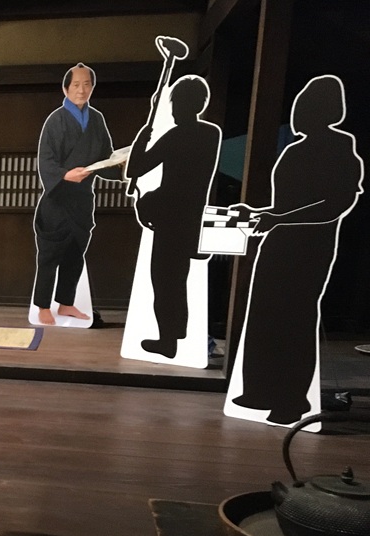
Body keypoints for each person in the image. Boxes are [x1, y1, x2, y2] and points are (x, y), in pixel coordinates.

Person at [229, 75, 363, 425]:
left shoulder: (340, 149)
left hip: (309, 247)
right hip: (278, 243)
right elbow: (283, 206)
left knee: (294, 319)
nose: (299, 110)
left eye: (308, 103)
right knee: (263, 314)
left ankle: (291, 399)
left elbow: (334, 204)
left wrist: (279, 219)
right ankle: (259, 390)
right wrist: (258, 214)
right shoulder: (294, 150)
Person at [125, 75, 221, 358]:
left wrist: (142, 138)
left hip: (171, 217)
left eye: (176, 103)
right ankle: (178, 331)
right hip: (193, 216)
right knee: (178, 279)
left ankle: (168, 341)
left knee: (164, 279)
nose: (174, 109)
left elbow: (135, 169)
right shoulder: (211, 135)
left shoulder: (176, 136)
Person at [32, 63, 124, 326]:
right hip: (57, 200)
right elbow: (46, 161)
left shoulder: (97, 119)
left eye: (87, 84)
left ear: (92, 88)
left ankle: (66, 303)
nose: (81, 90)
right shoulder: (55, 120)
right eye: (76, 85)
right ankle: (43, 306)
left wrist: (124, 168)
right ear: (65, 89)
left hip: (82, 200)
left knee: (75, 254)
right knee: (49, 256)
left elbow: (105, 158)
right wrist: (64, 175)